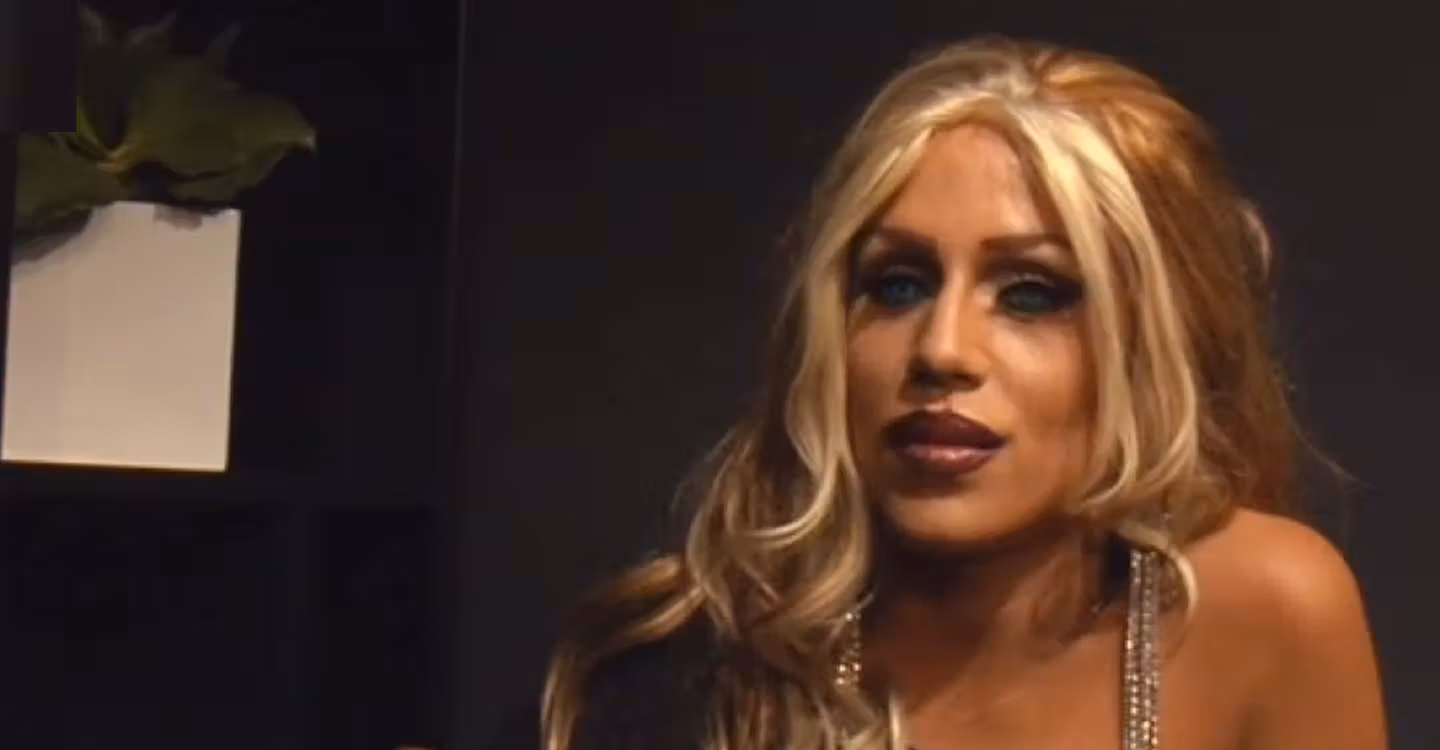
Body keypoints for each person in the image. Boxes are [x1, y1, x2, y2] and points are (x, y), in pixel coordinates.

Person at [534, 36, 1387, 750]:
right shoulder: (687, 670)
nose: (942, 350)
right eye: (898, 285)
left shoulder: (1268, 609)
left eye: (1031, 295)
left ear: (1154, 338)